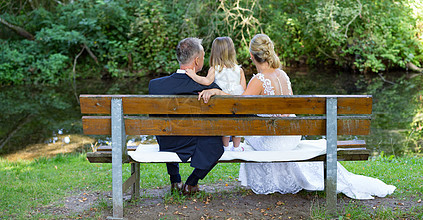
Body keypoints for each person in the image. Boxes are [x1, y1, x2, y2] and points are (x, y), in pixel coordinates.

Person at [198, 34, 396, 199]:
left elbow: (238, 104)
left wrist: (219, 93)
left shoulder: (258, 80)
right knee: (258, 129)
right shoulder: (283, 75)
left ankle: (269, 181)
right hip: (292, 135)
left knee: (247, 131)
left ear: (252, 56)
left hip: (275, 140)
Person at [148, 37, 224, 195]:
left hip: (167, 141)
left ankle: (175, 180)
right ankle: (191, 182)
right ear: (197, 61)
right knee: (216, 144)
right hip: (194, 143)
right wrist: (217, 92)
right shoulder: (206, 86)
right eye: (203, 57)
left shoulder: (155, 85)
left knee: (166, 128)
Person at [186, 37, 246, 151]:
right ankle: (237, 147)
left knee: (225, 124)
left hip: (222, 106)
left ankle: (226, 147)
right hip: (237, 106)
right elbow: (243, 90)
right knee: (237, 124)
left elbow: (207, 81)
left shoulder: (215, 69)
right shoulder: (239, 70)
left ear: (215, 52)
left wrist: (193, 75)